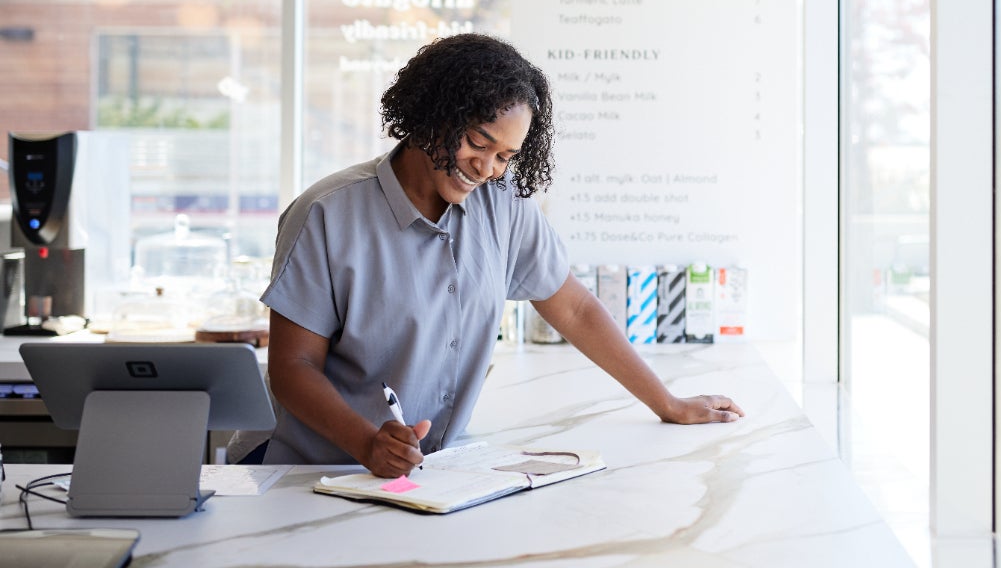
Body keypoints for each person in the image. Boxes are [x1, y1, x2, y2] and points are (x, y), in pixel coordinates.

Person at [239, 33, 743, 477]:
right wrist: (367, 443)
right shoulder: (327, 214)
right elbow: (293, 367)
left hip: (432, 475)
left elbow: (574, 307)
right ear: (433, 115)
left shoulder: (503, 207)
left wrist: (669, 403)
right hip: (315, 478)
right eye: (478, 142)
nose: (488, 169)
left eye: (506, 156)